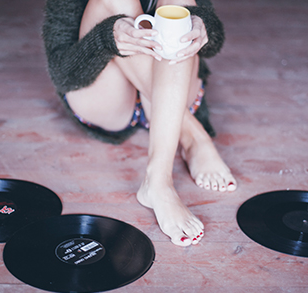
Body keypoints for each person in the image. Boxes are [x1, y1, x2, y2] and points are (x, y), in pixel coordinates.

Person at [42, 0, 237, 246]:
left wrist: (202, 25)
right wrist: (108, 37)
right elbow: (63, 74)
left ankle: (158, 181)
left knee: (180, 5)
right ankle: (192, 133)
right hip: (108, 101)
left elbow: (213, 45)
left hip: (175, 86)